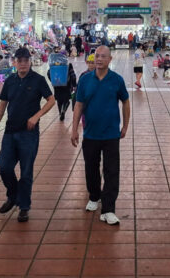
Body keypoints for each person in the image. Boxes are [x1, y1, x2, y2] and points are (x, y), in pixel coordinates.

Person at [0, 47, 55, 222]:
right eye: (19, 61)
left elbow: (51, 100)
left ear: (30, 61)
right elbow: (3, 104)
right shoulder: (10, 80)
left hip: (29, 134)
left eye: (26, 60)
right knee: (4, 166)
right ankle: (13, 196)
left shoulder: (38, 80)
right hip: (10, 132)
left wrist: (36, 116)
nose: (23, 64)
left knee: (26, 172)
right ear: (15, 62)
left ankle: (24, 207)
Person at [71, 46, 130, 226]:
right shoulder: (85, 80)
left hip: (111, 133)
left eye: (103, 56)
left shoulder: (117, 80)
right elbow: (78, 105)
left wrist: (125, 126)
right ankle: (94, 196)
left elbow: (125, 102)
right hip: (91, 133)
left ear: (110, 59)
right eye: (97, 56)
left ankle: (109, 209)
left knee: (112, 171)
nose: (99, 59)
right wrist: (74, 129)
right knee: (91, 168)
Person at [52, 48, 78, 121]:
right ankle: (64, 110)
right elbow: (73, 76)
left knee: (59, 101)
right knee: (66, 100)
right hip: (66, 86)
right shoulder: (68, 65)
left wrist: (53, 81)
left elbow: (49, 74)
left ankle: (60, 112)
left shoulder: (54, 65)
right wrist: (74, 85)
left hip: (57, 86)